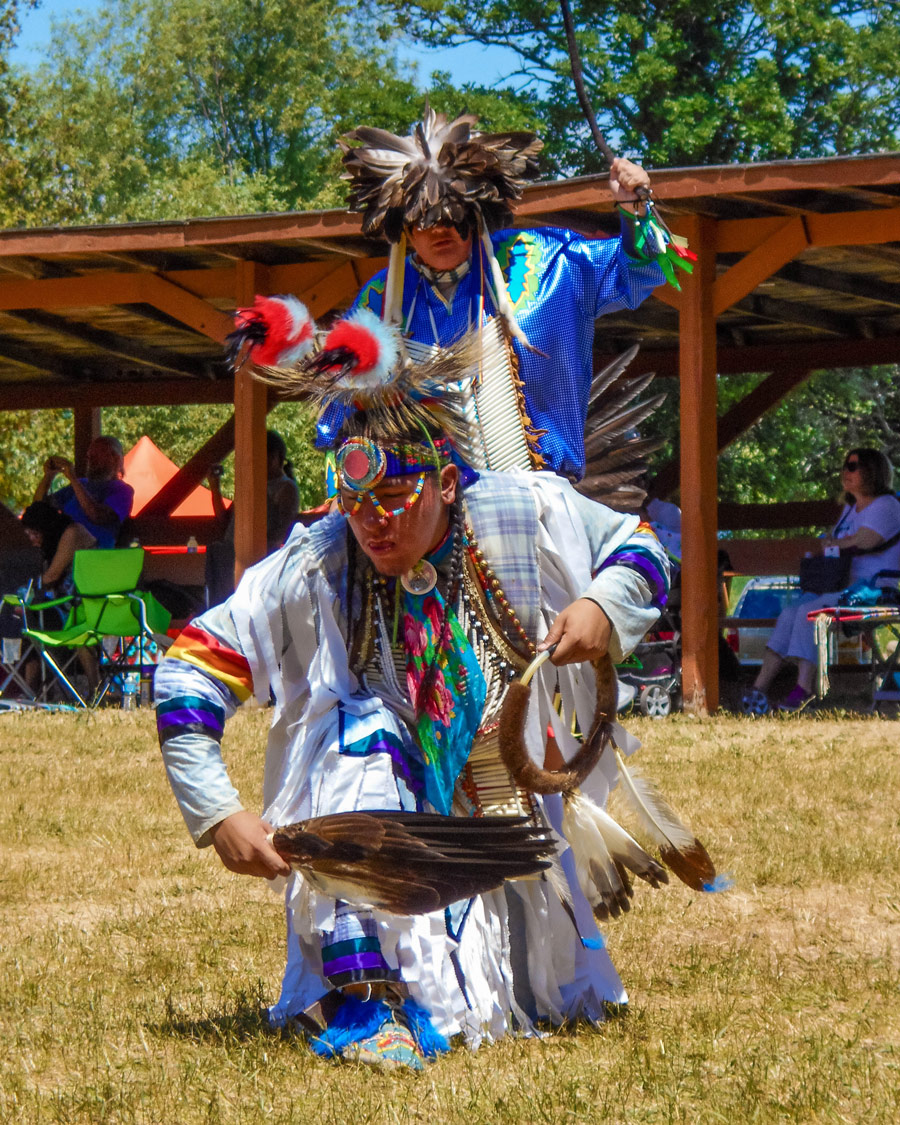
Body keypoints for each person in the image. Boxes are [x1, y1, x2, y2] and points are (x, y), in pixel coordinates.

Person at [156, 312, 676, 1069]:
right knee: (356, 730)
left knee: (523, 1002)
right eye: (353, 496)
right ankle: (367, 1000)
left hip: (497, 804)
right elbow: (189, 669)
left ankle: (454, 989)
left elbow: (639, 546)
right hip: (378, 804)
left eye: (393, 496)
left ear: (443, 480)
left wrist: (603, 605)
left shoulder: (522, 513)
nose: (369, 521)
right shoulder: (318, 564)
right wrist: (217, 810)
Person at [317, 108, 691, 481]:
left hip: (544, 492)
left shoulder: (548, 264)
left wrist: (635, 210)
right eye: (423, 220)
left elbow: (637, 271)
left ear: (477, 211)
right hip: (426, 504)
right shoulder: (380, 303)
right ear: (402, 227)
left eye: (452, 215)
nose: (439, 230)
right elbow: (339, 418)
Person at [742, 448, 900, 714]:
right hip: (840, 589)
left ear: (873, 471)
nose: (844, 472)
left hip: (873, 591)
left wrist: (835, 543)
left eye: (853, 466)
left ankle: (803, 691)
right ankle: (758, 690)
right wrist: (835, 543)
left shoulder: (887, 505)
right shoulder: (850, 509)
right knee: (790, 613)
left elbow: (866, 540)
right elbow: (835, 541)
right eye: (844, 466)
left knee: (810, 613)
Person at [34, 435, 134, 567]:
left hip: (94, 553)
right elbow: (39, 506)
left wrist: (73, 479)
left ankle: (49, 579)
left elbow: (96, 515)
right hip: (61, 549)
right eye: (89, 456)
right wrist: (49, 476)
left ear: (114, 458)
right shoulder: (82, 484)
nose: (90, 460)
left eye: (96, 456)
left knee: (73, 532)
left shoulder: (122, 490)